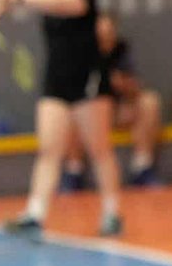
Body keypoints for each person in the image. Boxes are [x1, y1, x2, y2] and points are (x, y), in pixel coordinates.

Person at [0, 0, 123, 239]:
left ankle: (111, 212)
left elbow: (62, 3)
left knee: (98, 149)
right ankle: (35, 213)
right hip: (55, 82)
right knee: (49, 149)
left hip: (88, 82)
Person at [60, 14, 163, 189]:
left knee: (149, 102)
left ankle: (142, 167)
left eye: (109, 34)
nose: (105, 39)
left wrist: (121, 83)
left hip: (116, 112)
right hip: (89, 115)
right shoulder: (80, 54)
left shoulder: (121, 51)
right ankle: (73, 172)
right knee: (68, 112)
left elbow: (136, 87)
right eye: (101, 34)